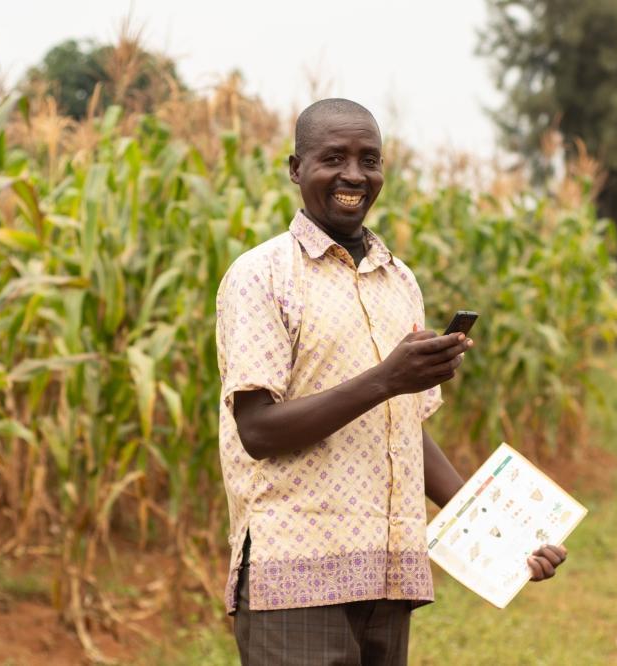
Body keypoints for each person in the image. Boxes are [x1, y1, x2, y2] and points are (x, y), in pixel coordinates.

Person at [214, 98, 567, 665]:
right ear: (296, 169)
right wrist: (386, 379)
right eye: (334, 158)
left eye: (370, 160)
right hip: (295, 575)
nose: (354, 175)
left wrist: (502, 532)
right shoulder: (262, 275)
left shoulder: (398, 281)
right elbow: (257, 431)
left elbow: (404, 431)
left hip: (387, 572)